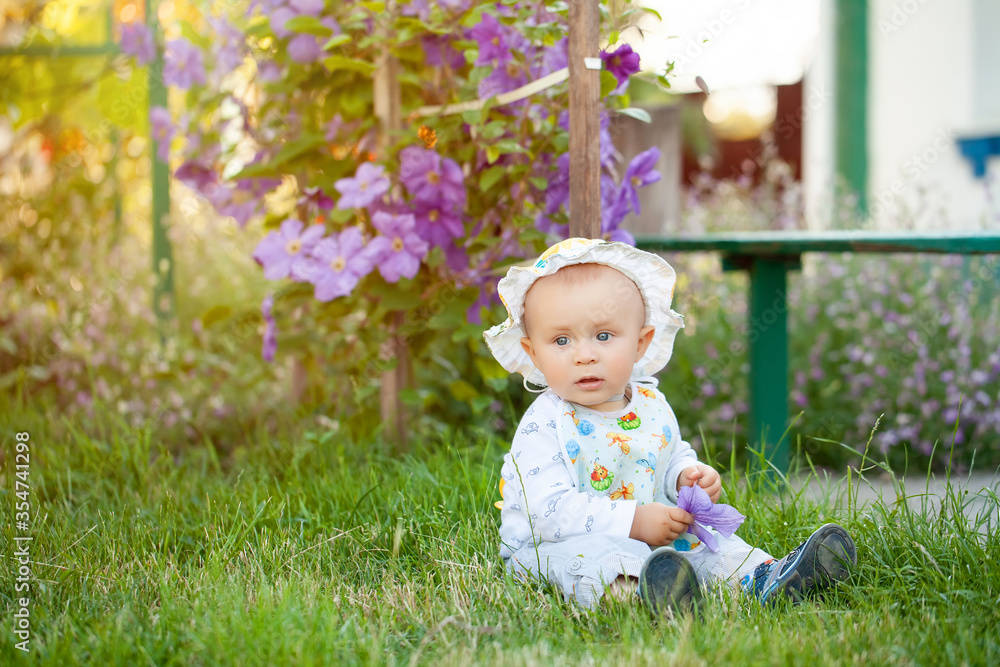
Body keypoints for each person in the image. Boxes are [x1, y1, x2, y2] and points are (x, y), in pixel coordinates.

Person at [483, 238, 856, 614]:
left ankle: (766, 578)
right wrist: (633, 521)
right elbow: (549, 513)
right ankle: (643, 597)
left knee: (713, 545)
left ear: (640, 343)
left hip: (655, 543)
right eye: (561, 340)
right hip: (555, 544)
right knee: (596, 561)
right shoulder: (544, 423)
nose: (585, 355)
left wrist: (686, 476)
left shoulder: (650, 404)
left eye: (603, 336)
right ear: (534, 352)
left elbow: (670, 453)